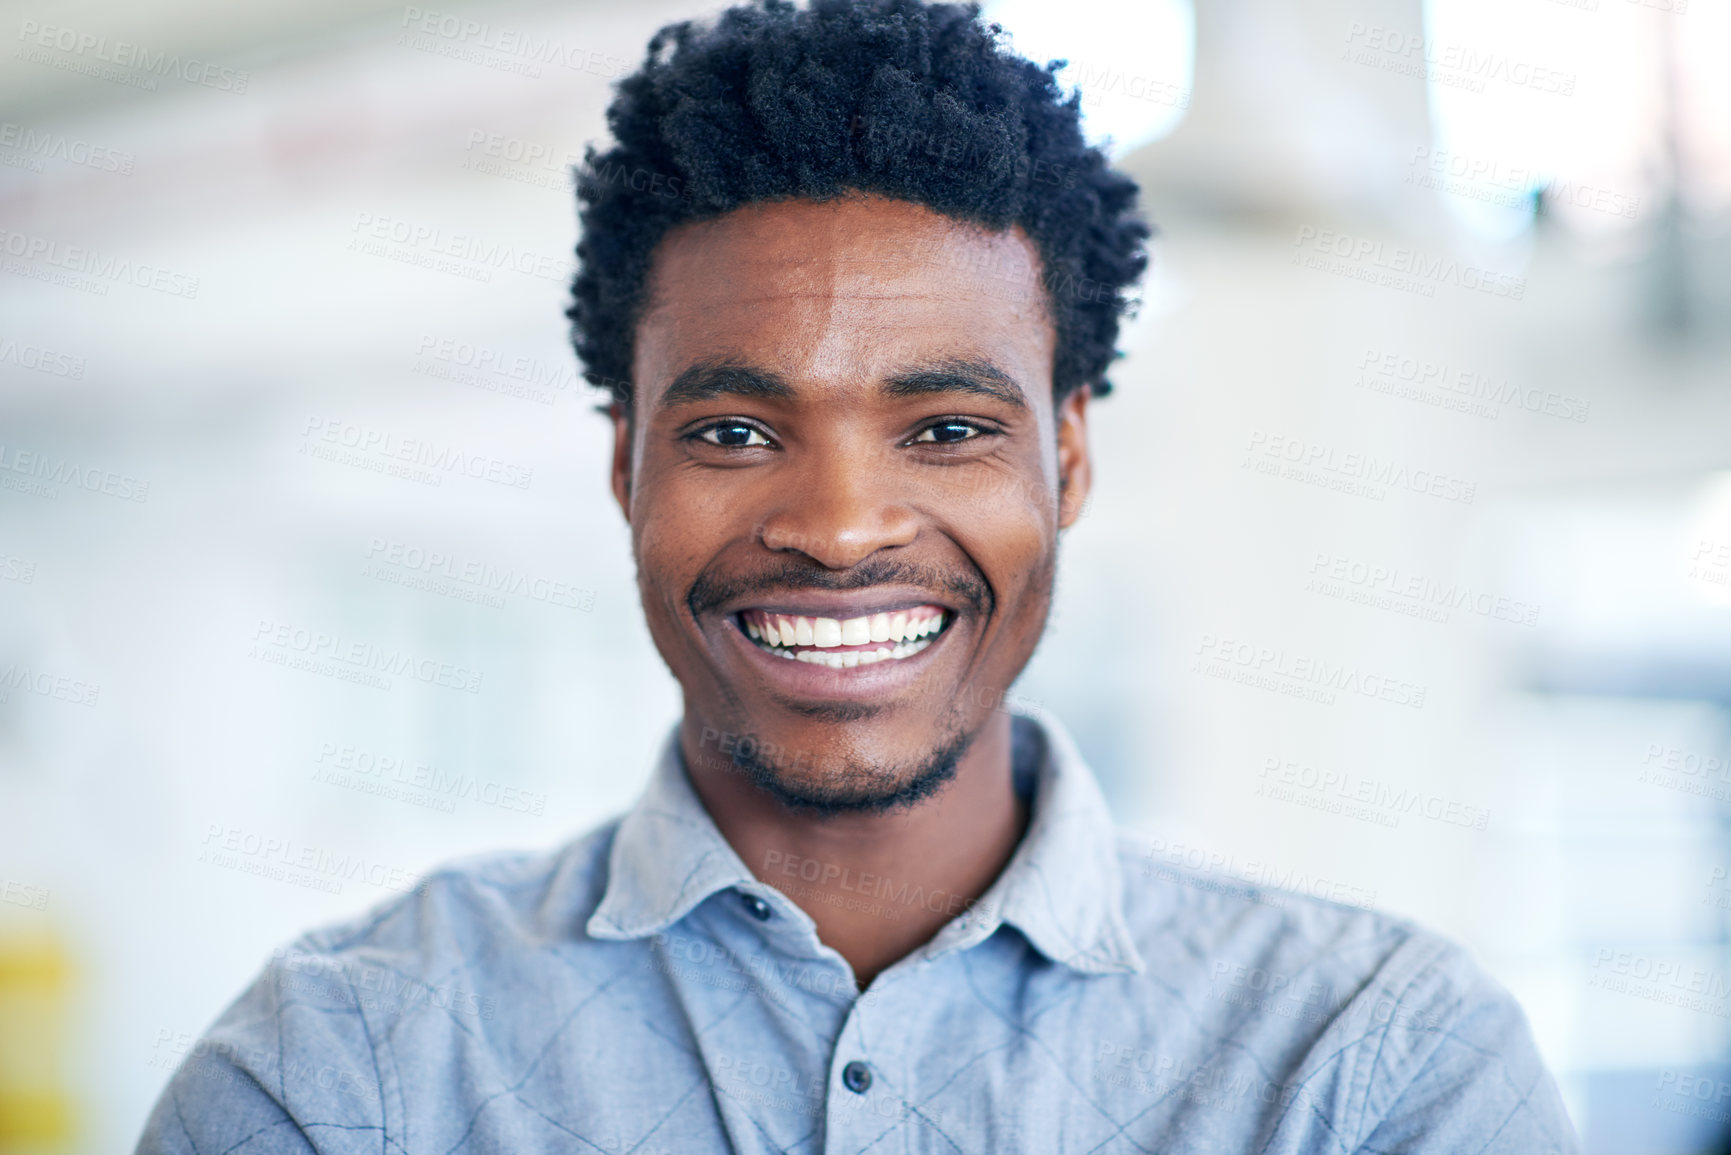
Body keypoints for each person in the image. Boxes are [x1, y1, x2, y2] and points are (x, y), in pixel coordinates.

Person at [138, 1, 1579, 1150]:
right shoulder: (345, 1075)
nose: (838, 526)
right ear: (625, 464)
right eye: (736, 429)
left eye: (946, 429)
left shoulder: (1369, 1070)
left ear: (1067, 463)